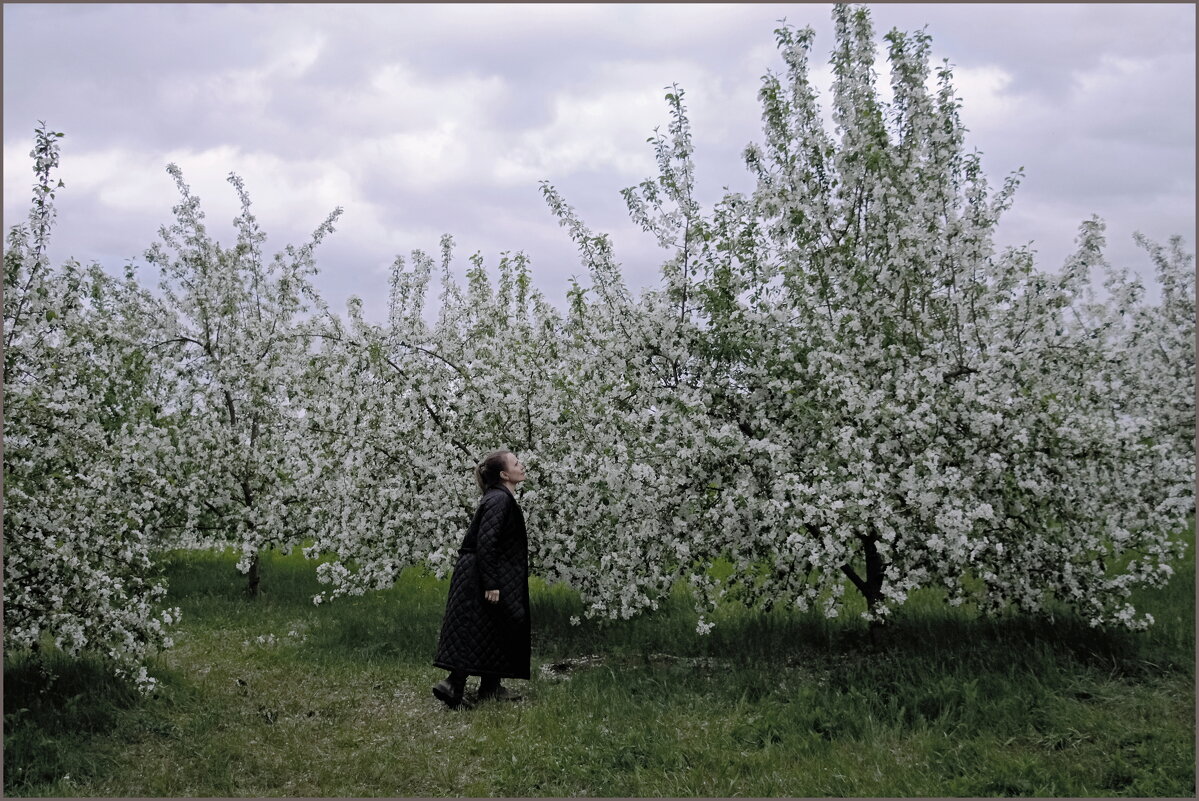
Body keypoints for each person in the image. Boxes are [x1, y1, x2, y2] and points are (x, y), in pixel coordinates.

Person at [432, 450, 531, 708]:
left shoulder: (499, 498)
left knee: (493, 627)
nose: (522, 465)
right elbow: (486, 542)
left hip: (485, 572)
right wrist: (492, 583)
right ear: (504, 474)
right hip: (481, 574)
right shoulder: (499, 500)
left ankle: (490, 687)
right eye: (516, 463)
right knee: (474, 627)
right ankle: (452, 685)